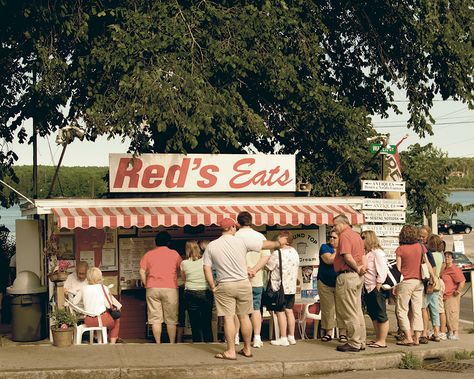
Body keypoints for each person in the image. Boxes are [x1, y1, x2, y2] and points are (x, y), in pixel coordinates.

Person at [203, 217, 286, 360]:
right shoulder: (241, 241)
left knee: (229, 318)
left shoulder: (212, 245)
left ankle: (230, 351)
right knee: (244, 316)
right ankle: (247, 349)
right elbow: (263, 245)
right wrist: (278, 243)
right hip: (243, 283)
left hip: (225, 284)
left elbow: (206, 268)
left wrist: (212, 285)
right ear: (232, 228)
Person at [234, 211, 271, 348]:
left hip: (239, 279)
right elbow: (266, 257)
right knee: (256, 309)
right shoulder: (260, 236)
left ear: (238, 223)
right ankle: (256, 337)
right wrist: (254, 269)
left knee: (239, 311)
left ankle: (236, 337)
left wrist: (245, 270)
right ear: (251, 221)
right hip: (256, 280)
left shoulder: (235, 237)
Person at [140, 231, 182, 344]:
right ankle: (172, 343)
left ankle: (158, 343)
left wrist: (146, 284)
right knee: (171, 319)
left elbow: (142, 271)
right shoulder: (174, 254)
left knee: (155, 318)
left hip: (152, 287)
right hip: (170, 288)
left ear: (156, 242)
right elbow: (182, 269)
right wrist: (178, 279)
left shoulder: (148, 254)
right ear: (168, 242)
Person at [333, 214, 367, 353]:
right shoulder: (357, 235)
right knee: (357, 310)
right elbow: (363, 255)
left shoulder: (345, 236)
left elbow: (347, 256)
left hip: (347, 275)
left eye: (335, 225)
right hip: (357, 277)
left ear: (342, 224)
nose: (334, 228)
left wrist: (356, 268)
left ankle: (353, 342)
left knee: (349, 311)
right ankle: (361, 341)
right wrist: (362, 268)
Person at [395, 225, 433, 346]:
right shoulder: (421, 247)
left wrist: (395, 285)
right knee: (417, 310)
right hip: (419, 282)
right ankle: (417, 338)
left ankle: (408, 337)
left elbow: (398, 269)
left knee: (402, 310)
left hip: (405, 282)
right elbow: (427, 263)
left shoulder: (400, 249)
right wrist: (433, 277)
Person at [266, 231, 300, 346]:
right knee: (289, 311)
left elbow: (269, 266)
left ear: (284, 239)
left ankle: (283, 337)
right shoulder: (295, 252)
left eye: (279, 238)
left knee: (280, 312)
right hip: (291, 287)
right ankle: (291, 337)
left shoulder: (277, 253)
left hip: (279, 287)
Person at [72, 267, 121, 344]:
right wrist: (109, 295)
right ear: (99, 277)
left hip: (88, 321)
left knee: (103, 320)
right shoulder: (103, 288)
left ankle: (98, 338)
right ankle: (112, 343)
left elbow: (74, 302)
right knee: (116, 320)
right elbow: (108, 305)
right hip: (102, 320)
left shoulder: (83, 288)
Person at [317, 229, 347, 342]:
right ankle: (328, 332)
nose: (331, 239)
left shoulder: (345, 248)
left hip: (340, 282)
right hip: (325, 282)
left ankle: (343, 333)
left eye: (335, 237)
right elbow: (328, 260)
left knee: (342, 308)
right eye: (330, 237)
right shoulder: (325, 247)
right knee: (328, 308)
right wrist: (339, 250)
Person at [181, 240, 214, 342]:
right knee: (207, 319)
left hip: (190, 293)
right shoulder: (205, 261)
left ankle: (197, 341)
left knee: (194, 321)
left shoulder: (184, 263)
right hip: (205, 292)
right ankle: (209, 341)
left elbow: (183, 279)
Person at [361, 230, 389, 348]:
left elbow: (382, 268)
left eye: (363, 238)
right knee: (373, 313)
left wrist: (379, 283)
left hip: (375, 286)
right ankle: (378, 337)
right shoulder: (368, 253)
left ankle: (382, 340)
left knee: (381, 313)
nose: (361, 240)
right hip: (367, 287)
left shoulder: (377, 252)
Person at [421, 234, 444, 342]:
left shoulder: (429, 255)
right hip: (437, 282)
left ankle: (424, 331)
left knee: (424, 307)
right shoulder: (440, 255)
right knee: (435, 309)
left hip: (429, 283)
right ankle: (436, 332)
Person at [441, 251, 465, 340]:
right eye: (446, 256)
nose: (447, 258)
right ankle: (450, 331)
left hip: (452, 295)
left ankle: (455, 332)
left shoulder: (454, 268)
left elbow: (462, 280)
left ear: (452, 259)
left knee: (452, 313)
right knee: (447, 314)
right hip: (445, 295)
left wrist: (458, 291)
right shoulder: (445, 268)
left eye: (449, 257)